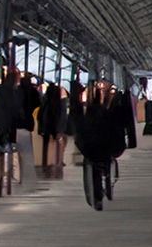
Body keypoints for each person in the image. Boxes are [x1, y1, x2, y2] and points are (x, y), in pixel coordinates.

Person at [76, 78, 127, 208]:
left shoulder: (89, 113)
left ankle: (97, 196)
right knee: (100, 164)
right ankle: (103, 186)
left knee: (93, 167)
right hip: (105, 148)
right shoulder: (110, 111)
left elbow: (81, 131)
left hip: (92, 148)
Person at [0, 68, 24, 197]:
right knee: (9, 153)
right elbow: (16, 110)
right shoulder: (13, 93)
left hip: (0, 127)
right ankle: (7, 182)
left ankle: (0, 181)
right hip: (10, 127)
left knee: (0, 153)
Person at [38, 76, 65, 176]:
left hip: (46, 125)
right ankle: (56, 162)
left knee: (45, 145)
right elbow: (61, 115)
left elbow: (41, 114)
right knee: (56, 143)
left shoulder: (46, 101)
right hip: (55, 125)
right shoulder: (59, 103)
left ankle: (45, 164)